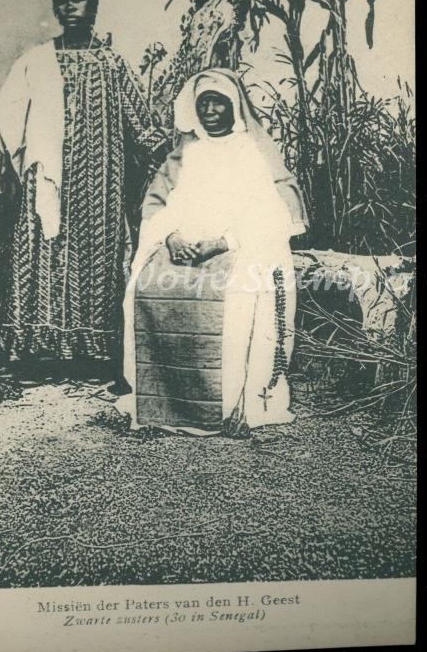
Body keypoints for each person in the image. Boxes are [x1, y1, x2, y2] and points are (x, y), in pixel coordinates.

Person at [0, 0, 168, 384]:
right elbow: (8, 111)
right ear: (55, 8)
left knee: (96, 258)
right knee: (41, 252)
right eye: (63, 1)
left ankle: (93, 354)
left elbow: (141, 122)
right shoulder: (37, 59)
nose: (70, 8)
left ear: (93, 6)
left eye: (79, 0)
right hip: (47, 178)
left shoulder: (110, 62)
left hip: (99, 178)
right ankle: (37, 353)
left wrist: (176, 158)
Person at [117, 68, 308, 436]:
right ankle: (164, 403)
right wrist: (171, 237)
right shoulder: (185, 153)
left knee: (238, 294)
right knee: (147, 286)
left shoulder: (253, 150)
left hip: (239, 243)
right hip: (184, 245)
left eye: (217, 103)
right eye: (203, 103)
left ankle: (232, 405)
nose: (209, 111)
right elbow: (156, 203)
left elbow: (274, 209)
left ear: (234, 107)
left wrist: (224, 242)